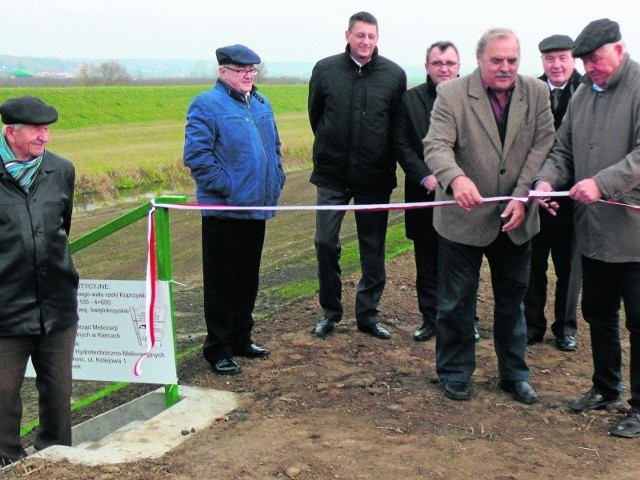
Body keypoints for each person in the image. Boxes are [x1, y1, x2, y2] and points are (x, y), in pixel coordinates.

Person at [424, 28, 556, 404]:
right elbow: (435, 145)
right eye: (496, 60)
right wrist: (456, 178)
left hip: (516, 218)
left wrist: (521, 197)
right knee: (455, 302)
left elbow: (544, 144)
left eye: (512, 60)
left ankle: (514, 375)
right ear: (480, 60)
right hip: (461, 219)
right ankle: (455, 372)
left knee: (513, 301)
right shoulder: (451, 94)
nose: (505, 68)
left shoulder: (536, 92)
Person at [534, 18, 640, 438]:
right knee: (598, 313)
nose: (590, 68)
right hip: (593, 232)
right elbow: (562, 150)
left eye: (596, 59)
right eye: (586, 62)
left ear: (619, 48)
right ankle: (605, 386)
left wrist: (601, 182)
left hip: (634, 236)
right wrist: (546, 180)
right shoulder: (581, 96)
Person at [183, 44, 286, 375]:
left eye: (252, 70)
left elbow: (275, 148)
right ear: (222, 71)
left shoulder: (260, 102)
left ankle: (242, 339)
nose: (248, 75)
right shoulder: (207, 105)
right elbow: (197, 156)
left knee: (247, 280)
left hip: (257, 208)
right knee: (221, 283)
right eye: (241, 70)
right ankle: (218, 348)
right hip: (224, 212)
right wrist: (227, 188)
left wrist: (277, 177)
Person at [308, 11, 406, 340]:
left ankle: (367, 314)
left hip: (375, 177)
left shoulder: (394, 75)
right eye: (360, 35)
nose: (365, 42)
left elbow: (396, 127)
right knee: (324, 242)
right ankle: (330, 311)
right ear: (347, 35)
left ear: (378, 38)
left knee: (372, 247)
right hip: (332, 174)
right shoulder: (324, 70)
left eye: (371, 36)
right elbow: (316, 116)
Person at [0, 97, 79, 466]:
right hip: (5, 309)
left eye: (48, 129)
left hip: (56, 305)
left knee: (59, 393)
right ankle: (9, 462)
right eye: (36, 129)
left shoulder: (61, 170)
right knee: (3, 394)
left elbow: (62, 228)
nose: (45, 137)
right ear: (10, 131)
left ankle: (56, 460)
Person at [394, 41, 483, 342]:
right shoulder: (410, 100)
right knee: (427, 259)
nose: (443, 68)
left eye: (450, 63)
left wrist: (458, 178)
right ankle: (430, 319)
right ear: (427, 67)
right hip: (424, 193)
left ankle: (467, 319)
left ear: (460, 66)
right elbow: (402, 144)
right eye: (437, 63)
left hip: (463, 195)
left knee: (463, 263)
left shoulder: (474, 100)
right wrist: (424, 176)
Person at [525, 35, 583, 352]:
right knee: (533, 266)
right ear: (542, 62)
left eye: (562, 57)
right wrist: (535, 184)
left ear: (573, 58)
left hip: (573, 200)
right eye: (549, 59)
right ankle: (532, 325)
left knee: (569, 270)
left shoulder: (588, 92)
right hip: (536, 197)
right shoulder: (531, 92)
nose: (556, 65)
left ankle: (565, 328)